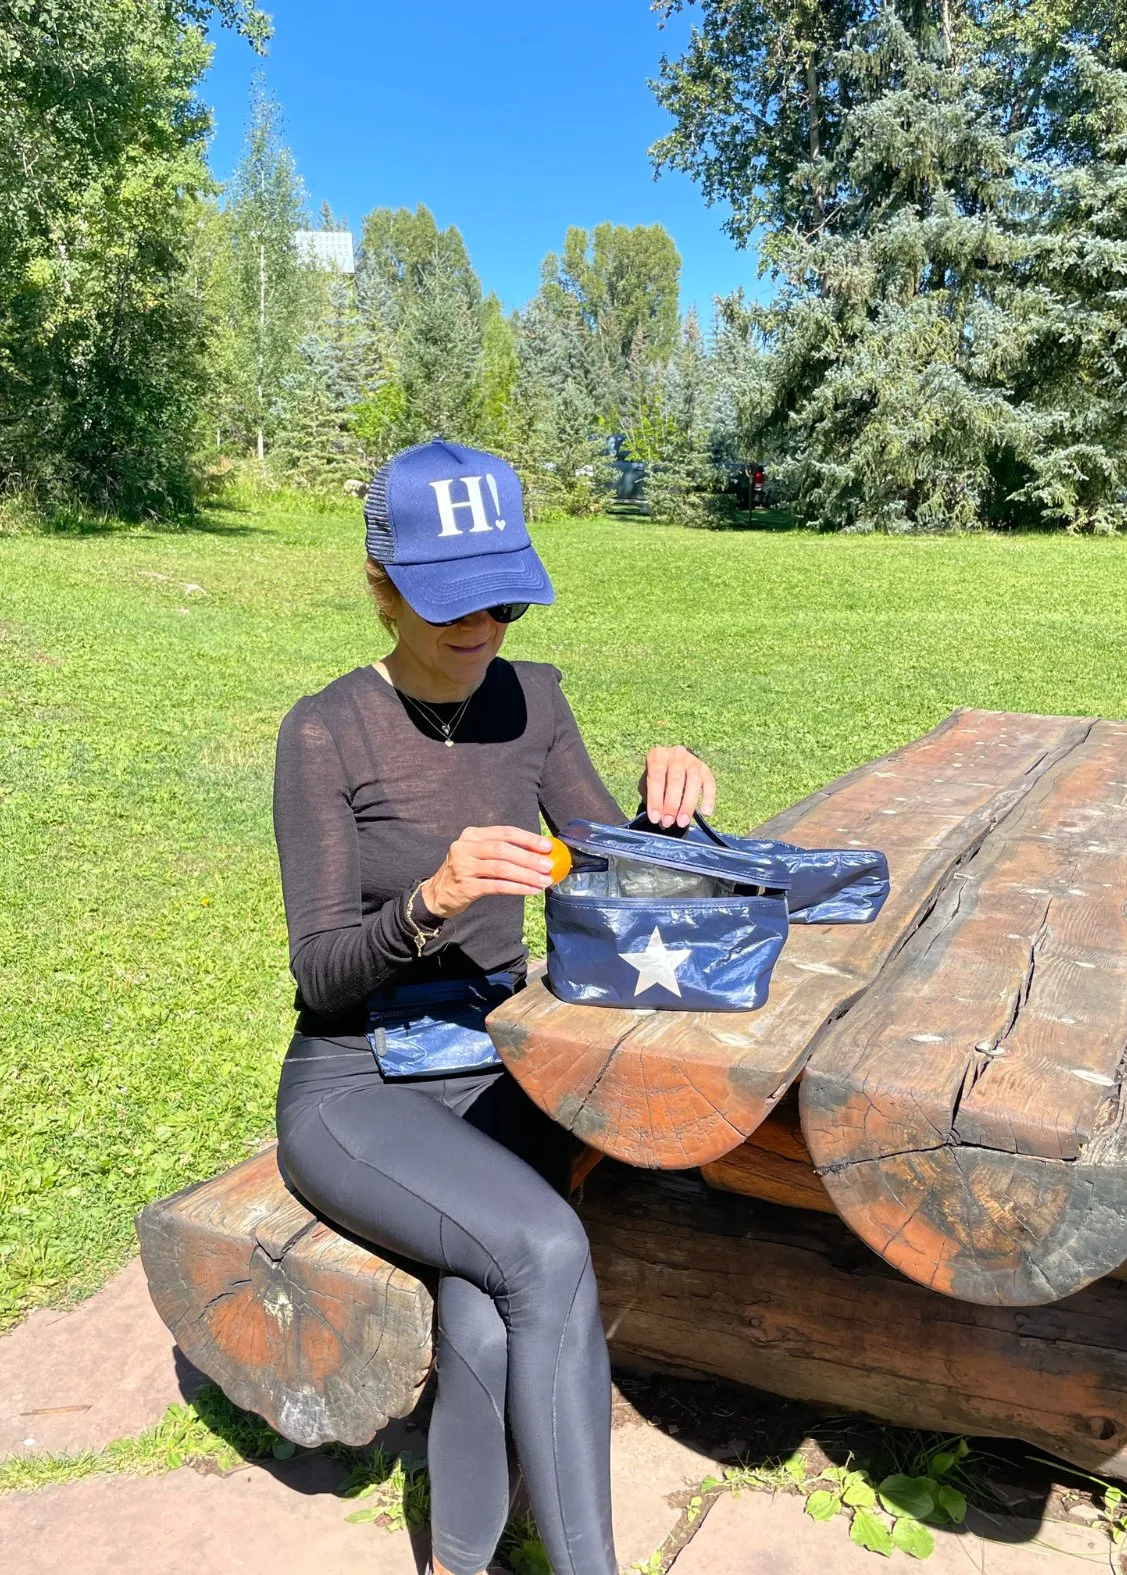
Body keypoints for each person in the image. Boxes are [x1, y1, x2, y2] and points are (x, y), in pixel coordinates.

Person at [272, 439, 717, 1575]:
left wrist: (669, 820)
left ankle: (457, 1563)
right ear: (379, 585)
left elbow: (607, 881)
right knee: (544, 1249)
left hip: (501, 1065)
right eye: (451, 603)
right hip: (356, 1087)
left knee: (485, 1310)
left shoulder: (537, 699)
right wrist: (433, 898)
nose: (483, 630)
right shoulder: (324, 732)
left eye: (506, 598)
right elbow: (322, 972)